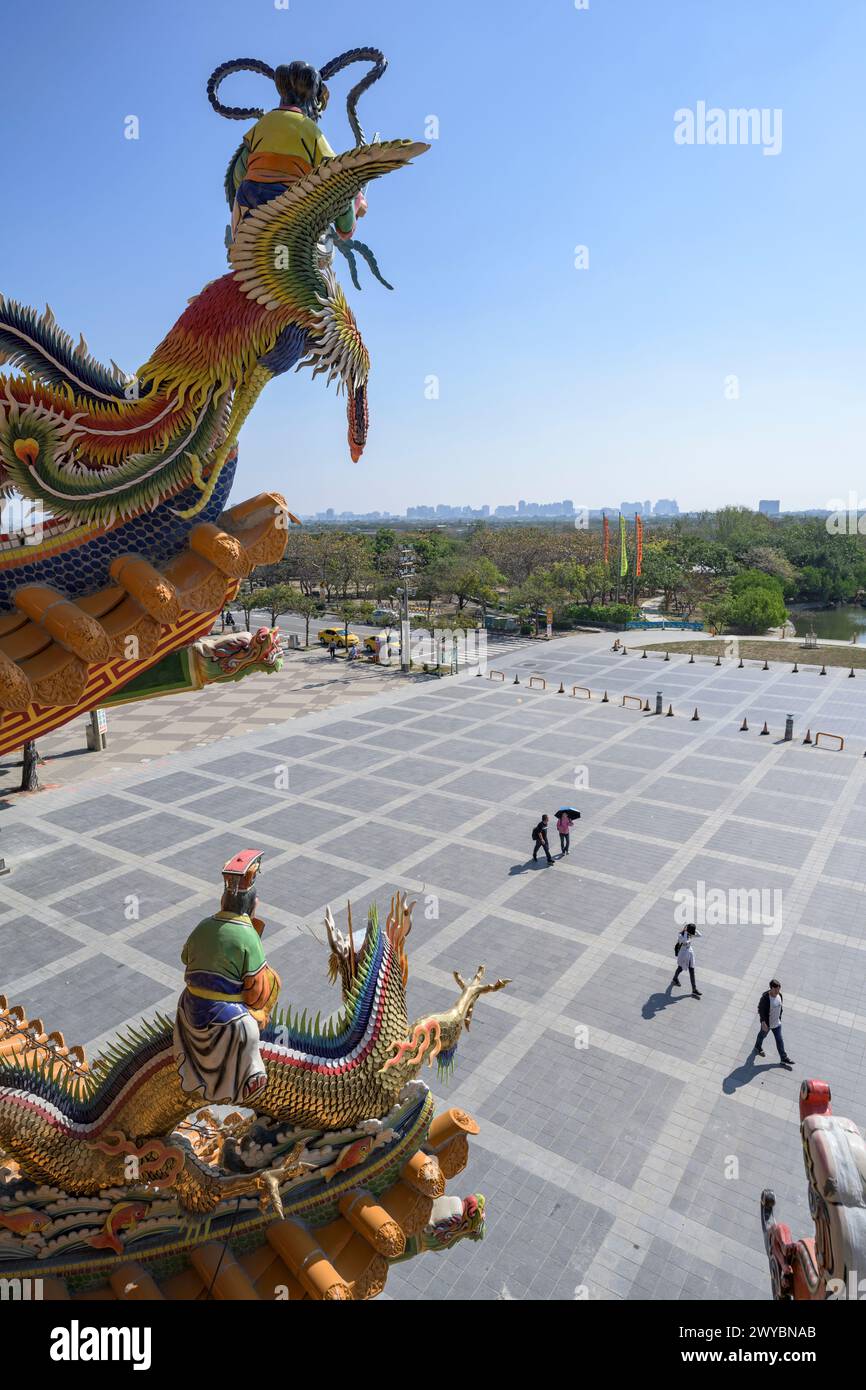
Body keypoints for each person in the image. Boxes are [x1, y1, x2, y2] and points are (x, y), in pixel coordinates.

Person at [173, 850, 281, 1105]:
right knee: (250, 1026)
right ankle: (253, 1075)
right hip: (227, 1019)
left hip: (189, 1011)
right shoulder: (248, 935)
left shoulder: (203, 925)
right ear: (252, 905)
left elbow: (185, 959)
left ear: (223, 901)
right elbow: (255, 991)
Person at [227, 61, 366, 244]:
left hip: (247, 209)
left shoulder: (262, 124)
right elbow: (337, 175)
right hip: (290, 212)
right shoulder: (308, 129)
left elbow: (238, 173)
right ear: (313, 99)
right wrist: (355, 203)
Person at [753, 979, 794, 1066]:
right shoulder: (765, 998)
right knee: (762, 1035)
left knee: (779, 1040)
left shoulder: (780, 995)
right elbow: (760, 1010)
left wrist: (779, 1018)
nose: (777, 991)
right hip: (767, 1024)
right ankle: (757, 1046)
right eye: (776, 989)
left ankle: (783, 1058)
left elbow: (780, 1008)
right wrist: (763, 1022)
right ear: (771, 988)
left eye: (779, 989)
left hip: (777, 1024)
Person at [671, 923, 702, 998]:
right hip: (683, 954)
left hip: (690, 953)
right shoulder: (681, 935)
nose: (692, 934)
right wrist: (685, 932)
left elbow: (700, 935)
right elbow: (685, 942)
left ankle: (694, 989)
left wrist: (693, 929)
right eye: (691, 932)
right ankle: (675, 978)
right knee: (680, 968)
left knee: (692, 970)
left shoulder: (690, 934)